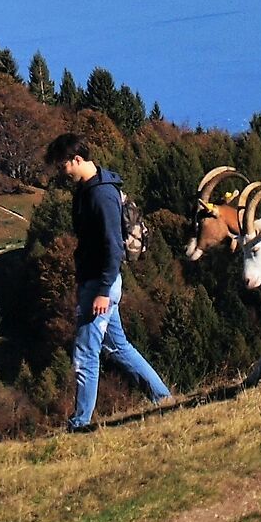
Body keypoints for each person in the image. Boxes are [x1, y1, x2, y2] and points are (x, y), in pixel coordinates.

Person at [45, 133, 171, 431]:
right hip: (98, 281)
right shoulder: (92, 188)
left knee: (85, 353)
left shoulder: (100, 195)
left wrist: (102, 291)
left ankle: (81, 423)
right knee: (118, 346)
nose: (61, 172)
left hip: (100, 284)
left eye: (63, 165)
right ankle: (163, 397)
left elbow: (113, 247)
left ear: (77, 159)